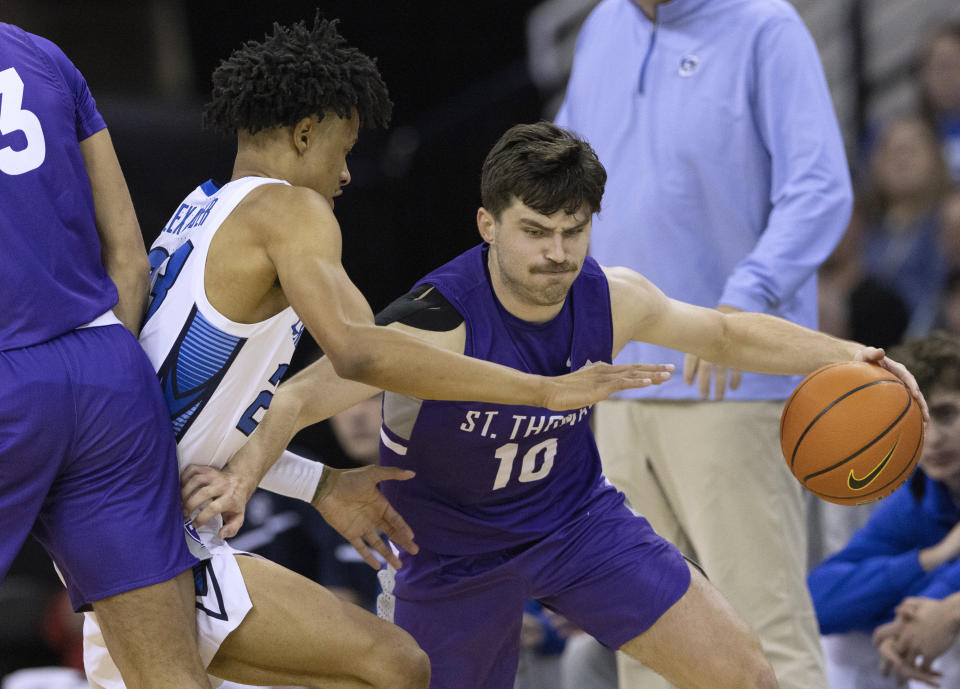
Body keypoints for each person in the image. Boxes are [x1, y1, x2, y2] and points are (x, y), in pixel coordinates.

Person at [185, 121, 927, 689]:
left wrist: (847, 355)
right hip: (450, 555)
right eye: (535, 231)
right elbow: (301, 396)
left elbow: (727, 332)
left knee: (745, 673)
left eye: (573, 231)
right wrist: (246, 474)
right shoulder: (438, 318)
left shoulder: (613, 297)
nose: (556, 253)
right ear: (488, 225)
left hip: (577, 524)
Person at [79, 17, 659, 689]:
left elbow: (188, 426)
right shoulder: (290, 211)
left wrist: (318, 482)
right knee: (394, 664)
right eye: (343, 146)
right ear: (304, 134)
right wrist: (541, 389)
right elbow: (364, 352)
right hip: (143, 539)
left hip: (131, 523)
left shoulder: (199, 211)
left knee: (387, 665)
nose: (348, 172)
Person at [552, 1, 854, 687]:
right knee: (644, 641)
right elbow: (557, 182)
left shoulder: (764, 26)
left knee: (766, 630)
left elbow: (819, 186)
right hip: (617, 384)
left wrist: (746, 298)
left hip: (730, 379)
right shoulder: (602, 26)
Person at [0, 22, 213, 689]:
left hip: (9, 376)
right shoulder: (43, 55)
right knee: (171, 675)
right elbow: (130, 257)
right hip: (106, 370)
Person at [808, 331, 960, 688]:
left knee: (938, 645)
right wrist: (933, 557)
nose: (933, 438)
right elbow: (817, 602)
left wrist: (936, 611)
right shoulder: (920, 496)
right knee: (842, 646)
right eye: (918, 420)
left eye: (947, 415)